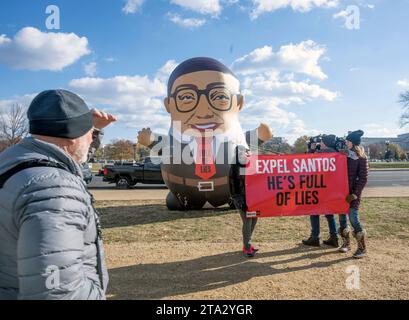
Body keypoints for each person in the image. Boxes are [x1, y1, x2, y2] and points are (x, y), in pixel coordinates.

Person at [0, 90, 117, 300]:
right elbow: (57, 293)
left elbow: (70, 157)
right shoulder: (55, 189)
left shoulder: (12, 162)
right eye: (90, 133)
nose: (92, 139)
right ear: (74, 136)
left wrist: (94, 129)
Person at [137, 57, 273, 211]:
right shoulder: (173, 142)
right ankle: (182, 198)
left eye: (220, 96)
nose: (203, 112)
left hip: (231, 192)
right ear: (169, 105)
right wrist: (150, 140)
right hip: (183, 192)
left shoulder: (237, 140)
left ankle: (235, 197)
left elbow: (246, 146)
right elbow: (162, 146)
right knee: (174, 202)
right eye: (187, 97)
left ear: (239, 103)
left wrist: (260, 136)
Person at [302, 134, 339, 247]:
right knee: (329, 213)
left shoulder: (320, 154)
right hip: (330, 188)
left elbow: (308, 163)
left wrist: (312, 149)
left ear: (326, 143)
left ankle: (315, 237)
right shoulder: (336, 154)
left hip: (318, 186)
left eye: (322, 142)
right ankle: (334, 237)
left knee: (314, 212)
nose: (320, 144)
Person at [338, 130, 369, 259]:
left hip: (353, 194)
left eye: (348, 141)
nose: (346, 143)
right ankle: (346, 243)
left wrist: (355, 194)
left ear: (353, 142)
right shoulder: (344, 155)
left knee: (353, 219)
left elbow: (363, 178)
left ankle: (362, 248)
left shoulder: (361, 158)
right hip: (341, 193)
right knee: (342, 219)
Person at [229, 145, 258, 258]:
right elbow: (233, 185)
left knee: (254, 219)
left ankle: (247, 243)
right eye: (241, 152)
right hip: (241, 198)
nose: (244, 153)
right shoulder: (235, 166)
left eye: (246, 151)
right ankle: (247, 247)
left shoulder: (250, 164)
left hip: (252, 198)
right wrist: (239, 200)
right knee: (247, 221)